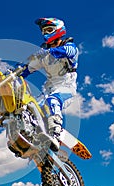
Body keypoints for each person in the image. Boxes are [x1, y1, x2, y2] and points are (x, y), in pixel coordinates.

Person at [21, 17, 79, 151]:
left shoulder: (69, 46)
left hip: (66, 88)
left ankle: (56, 133)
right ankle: (32, 136)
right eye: (44, 31)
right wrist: (16, 72)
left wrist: (48, 51)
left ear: (58, 30)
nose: (45, 33)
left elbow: (69, 52)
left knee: (52, 101)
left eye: (49, 29)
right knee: (30, 109)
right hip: (49, 88)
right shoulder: (44, 55)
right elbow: (28, 68)